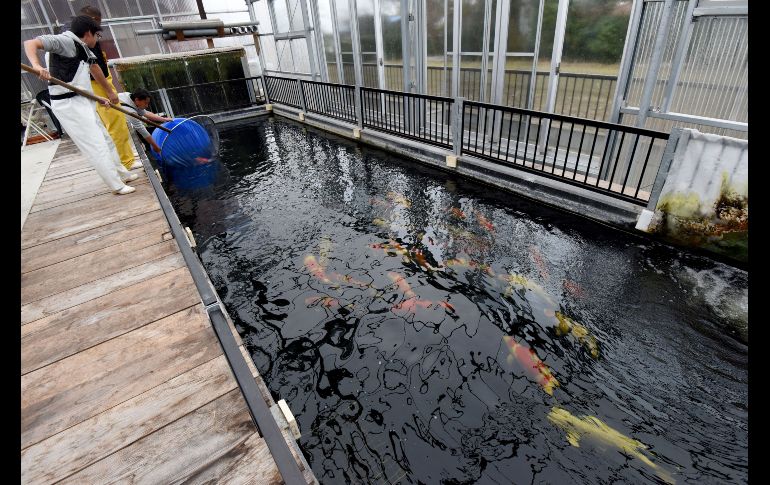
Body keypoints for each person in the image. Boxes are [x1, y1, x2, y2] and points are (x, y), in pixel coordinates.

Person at [23, 15, 138, 195]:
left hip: (83, 100)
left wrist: (103, 96)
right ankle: (116, 185)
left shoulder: (83, 48)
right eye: (96, 35)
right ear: (87, 33)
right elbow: (31, 43)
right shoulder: (64, 41)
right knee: (96, 145)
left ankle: (122, 173)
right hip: (69, 105)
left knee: (106, 139)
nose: (97, 39)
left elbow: (92, 71)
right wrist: (37, 66)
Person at [78, 5, 142, 171]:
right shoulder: (82, 35)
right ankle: (125, 162)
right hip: (98, 84)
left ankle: (126, 155)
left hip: (102, 81)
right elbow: (93, 67)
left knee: (118, 121)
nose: (98, 31)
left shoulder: (83, 32)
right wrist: (108, 90)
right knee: (115, 123)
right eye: (97, 26)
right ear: (92, 20)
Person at [118, 89, 171, 155]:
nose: (147, 106)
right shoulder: (130, 111)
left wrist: (164, 119)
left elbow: (146, 113)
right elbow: (142, 130)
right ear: (137, 100)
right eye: (145, 103)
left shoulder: (129, 96)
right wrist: (156, 147)